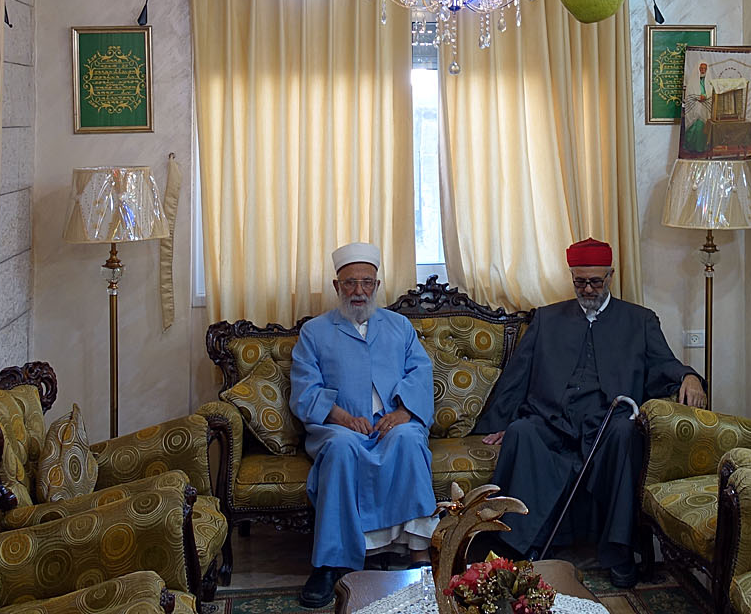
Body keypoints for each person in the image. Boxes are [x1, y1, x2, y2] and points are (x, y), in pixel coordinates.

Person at [472, 238, 707, 587]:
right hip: (552, 420)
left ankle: (619, 554)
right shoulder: (548, 319)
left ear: (610, 276)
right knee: (522, 433)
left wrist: (689, 376)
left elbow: (664, 364)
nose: (587, 288)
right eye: (580, 281)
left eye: (595, 281)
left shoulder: (639, 320)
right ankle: (523, 548)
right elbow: (516, 376)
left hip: (606, 423)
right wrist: (500, 423)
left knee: (627, 434)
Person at [291, 242, 439, 608]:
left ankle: (419, 555)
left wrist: (404, 413)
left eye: (366, 283)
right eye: (350, 284)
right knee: (341, 450)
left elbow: (420, 372)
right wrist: (343, 417)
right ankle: (330, 563)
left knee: (407, 440)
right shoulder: (315, 332)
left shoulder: (399, 326)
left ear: (377, 284)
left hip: (392, 422)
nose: (359, 291)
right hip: (339, 426)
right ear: (336, 285)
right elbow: (305, 389)